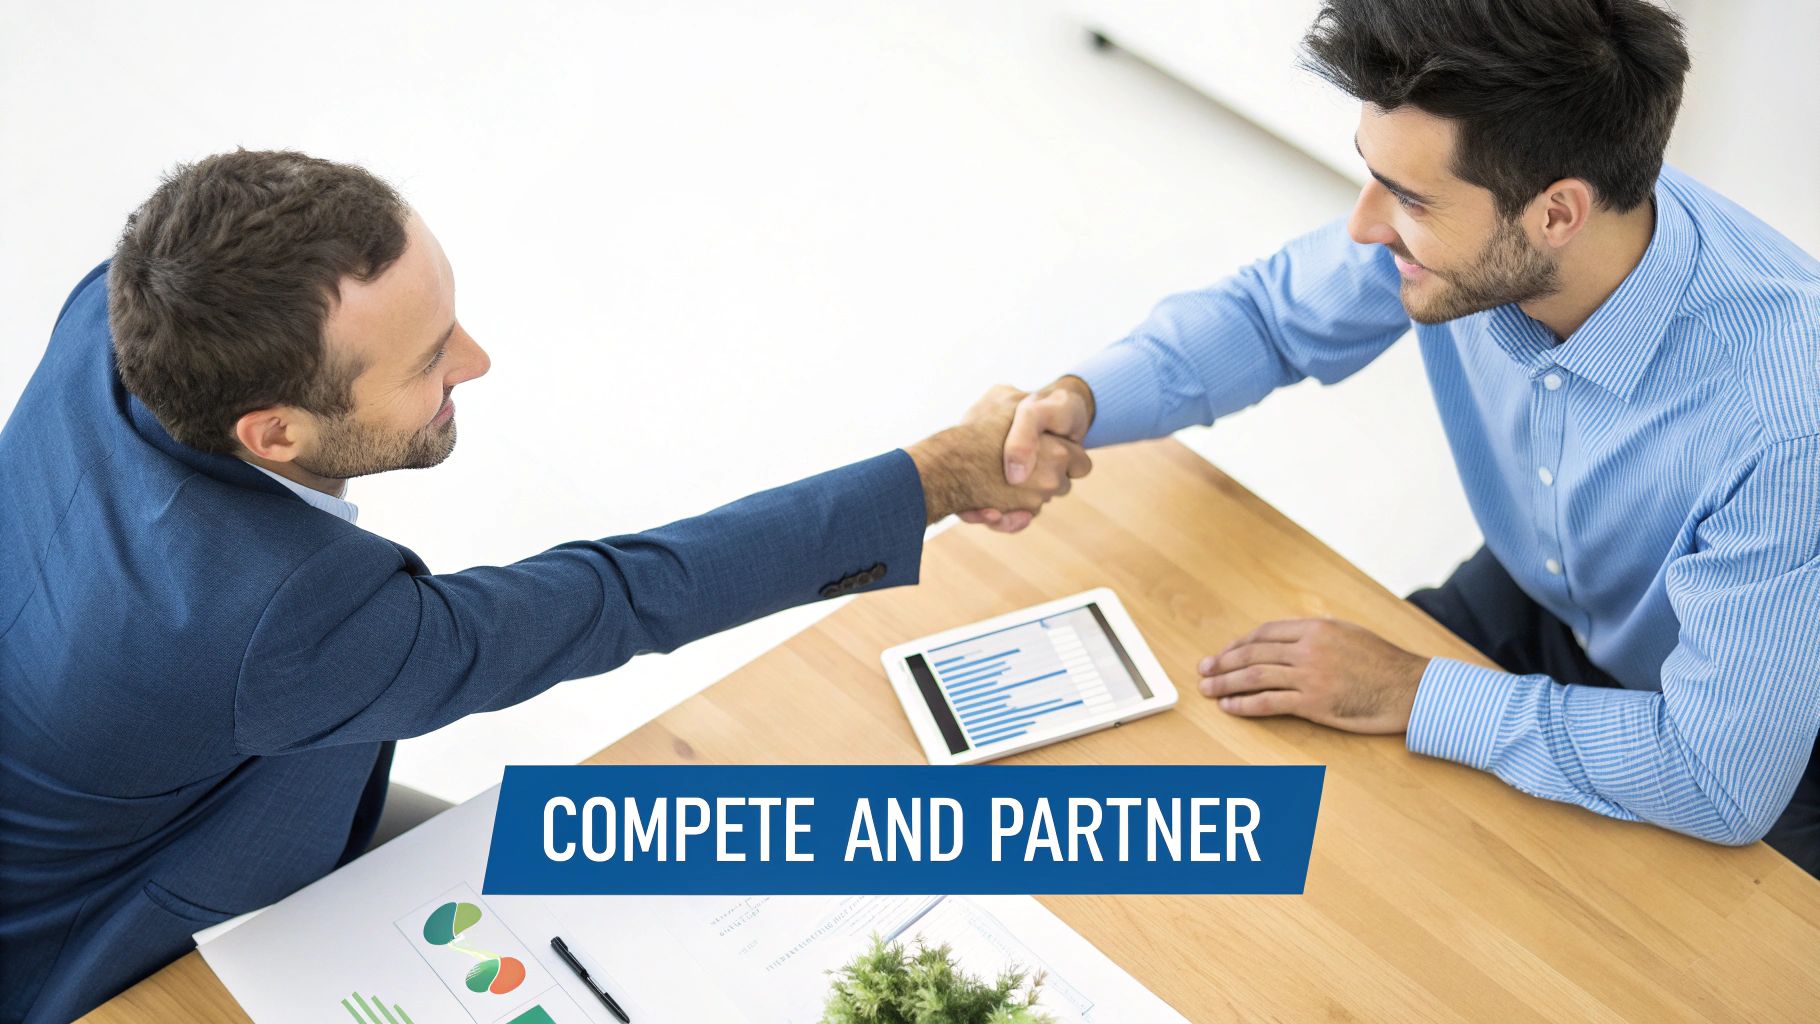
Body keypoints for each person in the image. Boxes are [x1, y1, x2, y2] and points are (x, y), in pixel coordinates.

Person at [0, 149, 1088, 1022]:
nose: (475, 361)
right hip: (95, 939)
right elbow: (621, 595)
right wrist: (937, 474)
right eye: (428, 359)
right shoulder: (281, 625)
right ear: (272, 429)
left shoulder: (128, 305)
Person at [990, 0, 1820, 873]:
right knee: (1322, 813)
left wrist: (1415, 691)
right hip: (1548, 585)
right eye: (1373, 176)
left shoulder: (1789, 426)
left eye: (1411, 200)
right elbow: (1273, 317)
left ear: (1557, 215)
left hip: (1768, 722)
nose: (1364, 226)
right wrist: (1080, 402)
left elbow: (1717, 777)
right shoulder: (1486, 218)